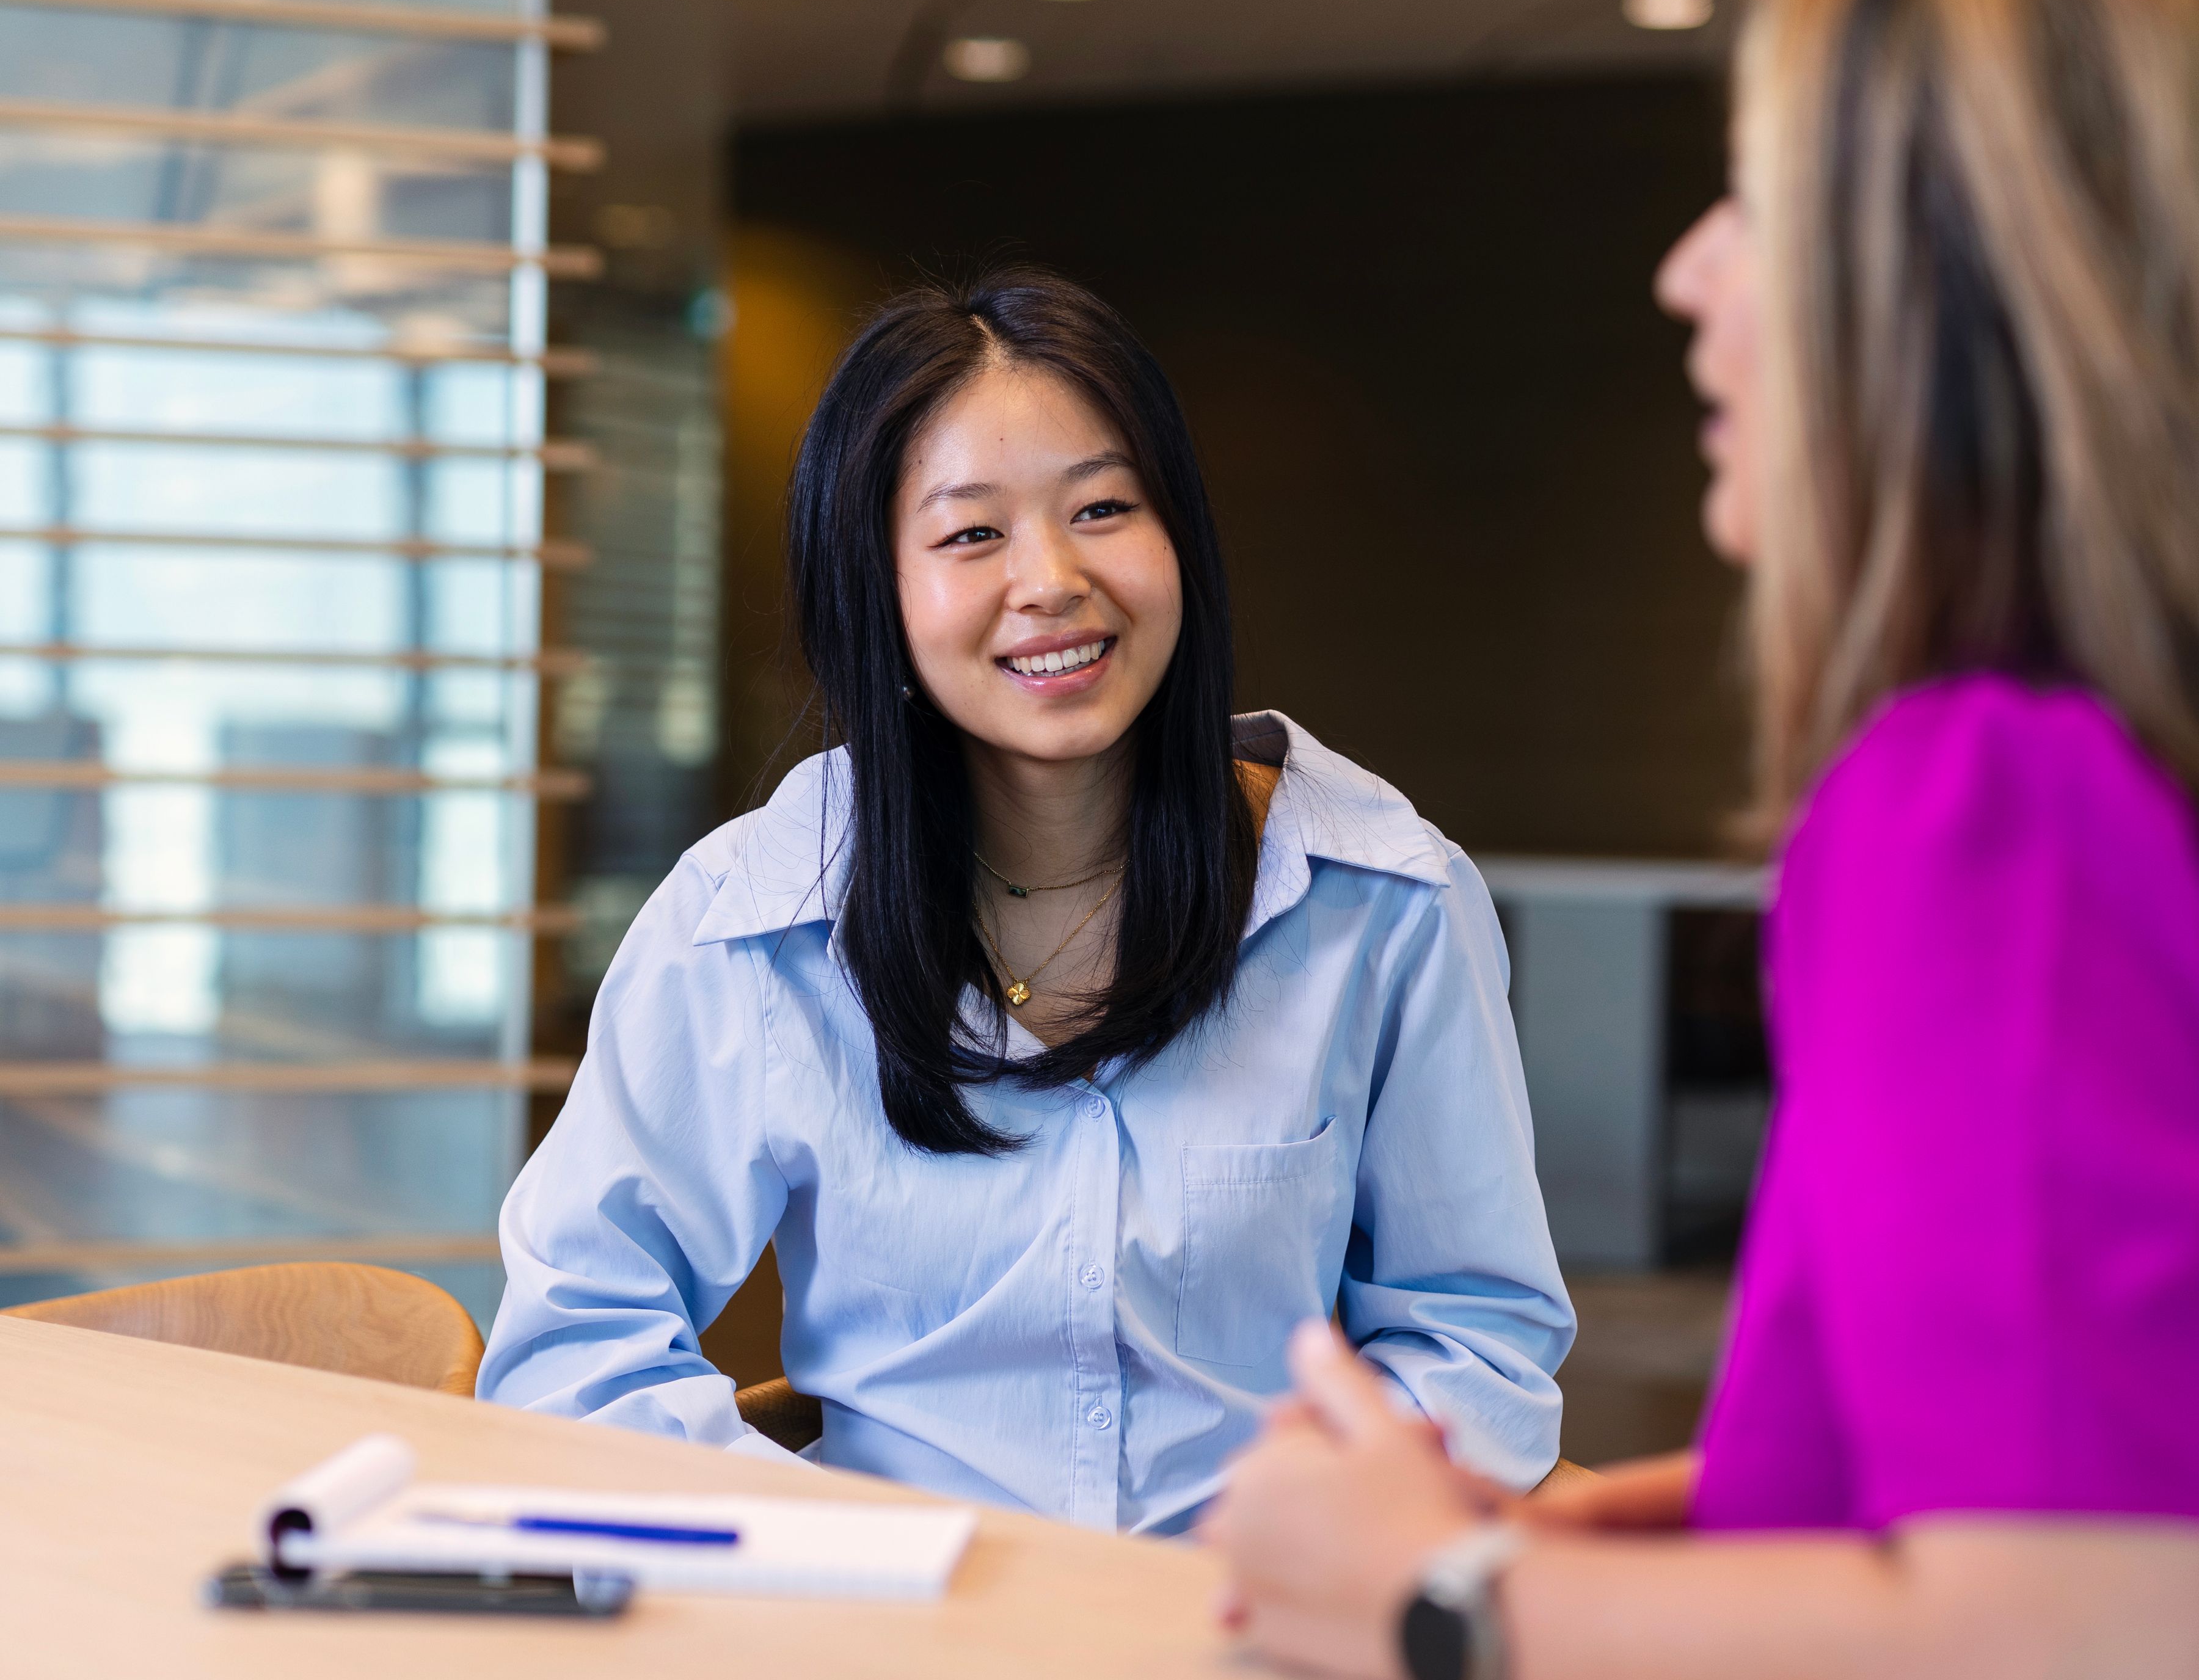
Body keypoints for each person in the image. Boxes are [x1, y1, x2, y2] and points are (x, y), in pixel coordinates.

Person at [1206, 0, 2199, 1680]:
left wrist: (1437, 1591)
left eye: (1756, 196)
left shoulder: (1983, 804)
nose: (1690, 273)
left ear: (1943, 274)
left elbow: (2070, 1677)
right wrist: (1583, 1532)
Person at [480, 271, 1573, 1532]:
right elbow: (571, 1346)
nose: (1051, 578)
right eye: (971, 534)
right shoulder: (747, 926)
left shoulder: (1383, 905)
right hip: (888, 1645)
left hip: (1250, 1644)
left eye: (1103, 507)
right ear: (878, 591)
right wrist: (847, 1557)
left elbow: (1476, 1340)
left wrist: (1298, 1548)